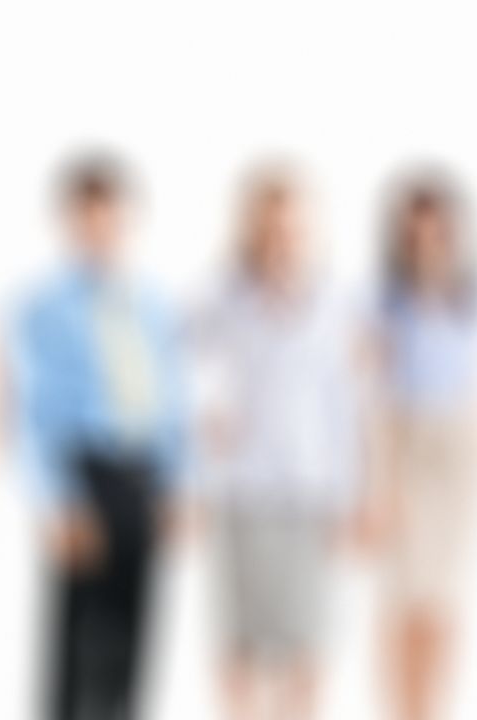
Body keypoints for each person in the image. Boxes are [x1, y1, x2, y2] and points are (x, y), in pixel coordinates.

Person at [7, 149, 189, 720]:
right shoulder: (46, 306)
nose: (99, 228)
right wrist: (59, 503)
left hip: (142, 477)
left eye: (109, 215)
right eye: (87, 216)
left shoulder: (152, 302)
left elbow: (172, 399)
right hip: (85, 476)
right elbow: (32, 413)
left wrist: (177, 484)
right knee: (77, 638)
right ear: (71, 221)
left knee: (136, 634)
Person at [190, 159, 364, 720]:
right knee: (239, 639)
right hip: (242, 487)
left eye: (291, 226)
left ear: (307, 229)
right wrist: (204, 417)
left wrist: (349, 494)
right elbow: (177, 364)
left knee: (308, 642)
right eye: (269, 225)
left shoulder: (335, 302)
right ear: (251, 227)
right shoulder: (223, 294)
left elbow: (346, 405)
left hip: (310, 490)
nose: (281, 237)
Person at [367, 164, 477, 720]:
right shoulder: (385, 303)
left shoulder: (475, 303)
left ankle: (434, 710)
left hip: (461, 451)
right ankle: (403, 710)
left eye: (438, 232)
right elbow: (375, 400)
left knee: (443, 602)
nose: (427, 244)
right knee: (403, 601)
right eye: (415, 233)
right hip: (408, 444)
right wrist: (381, 483)